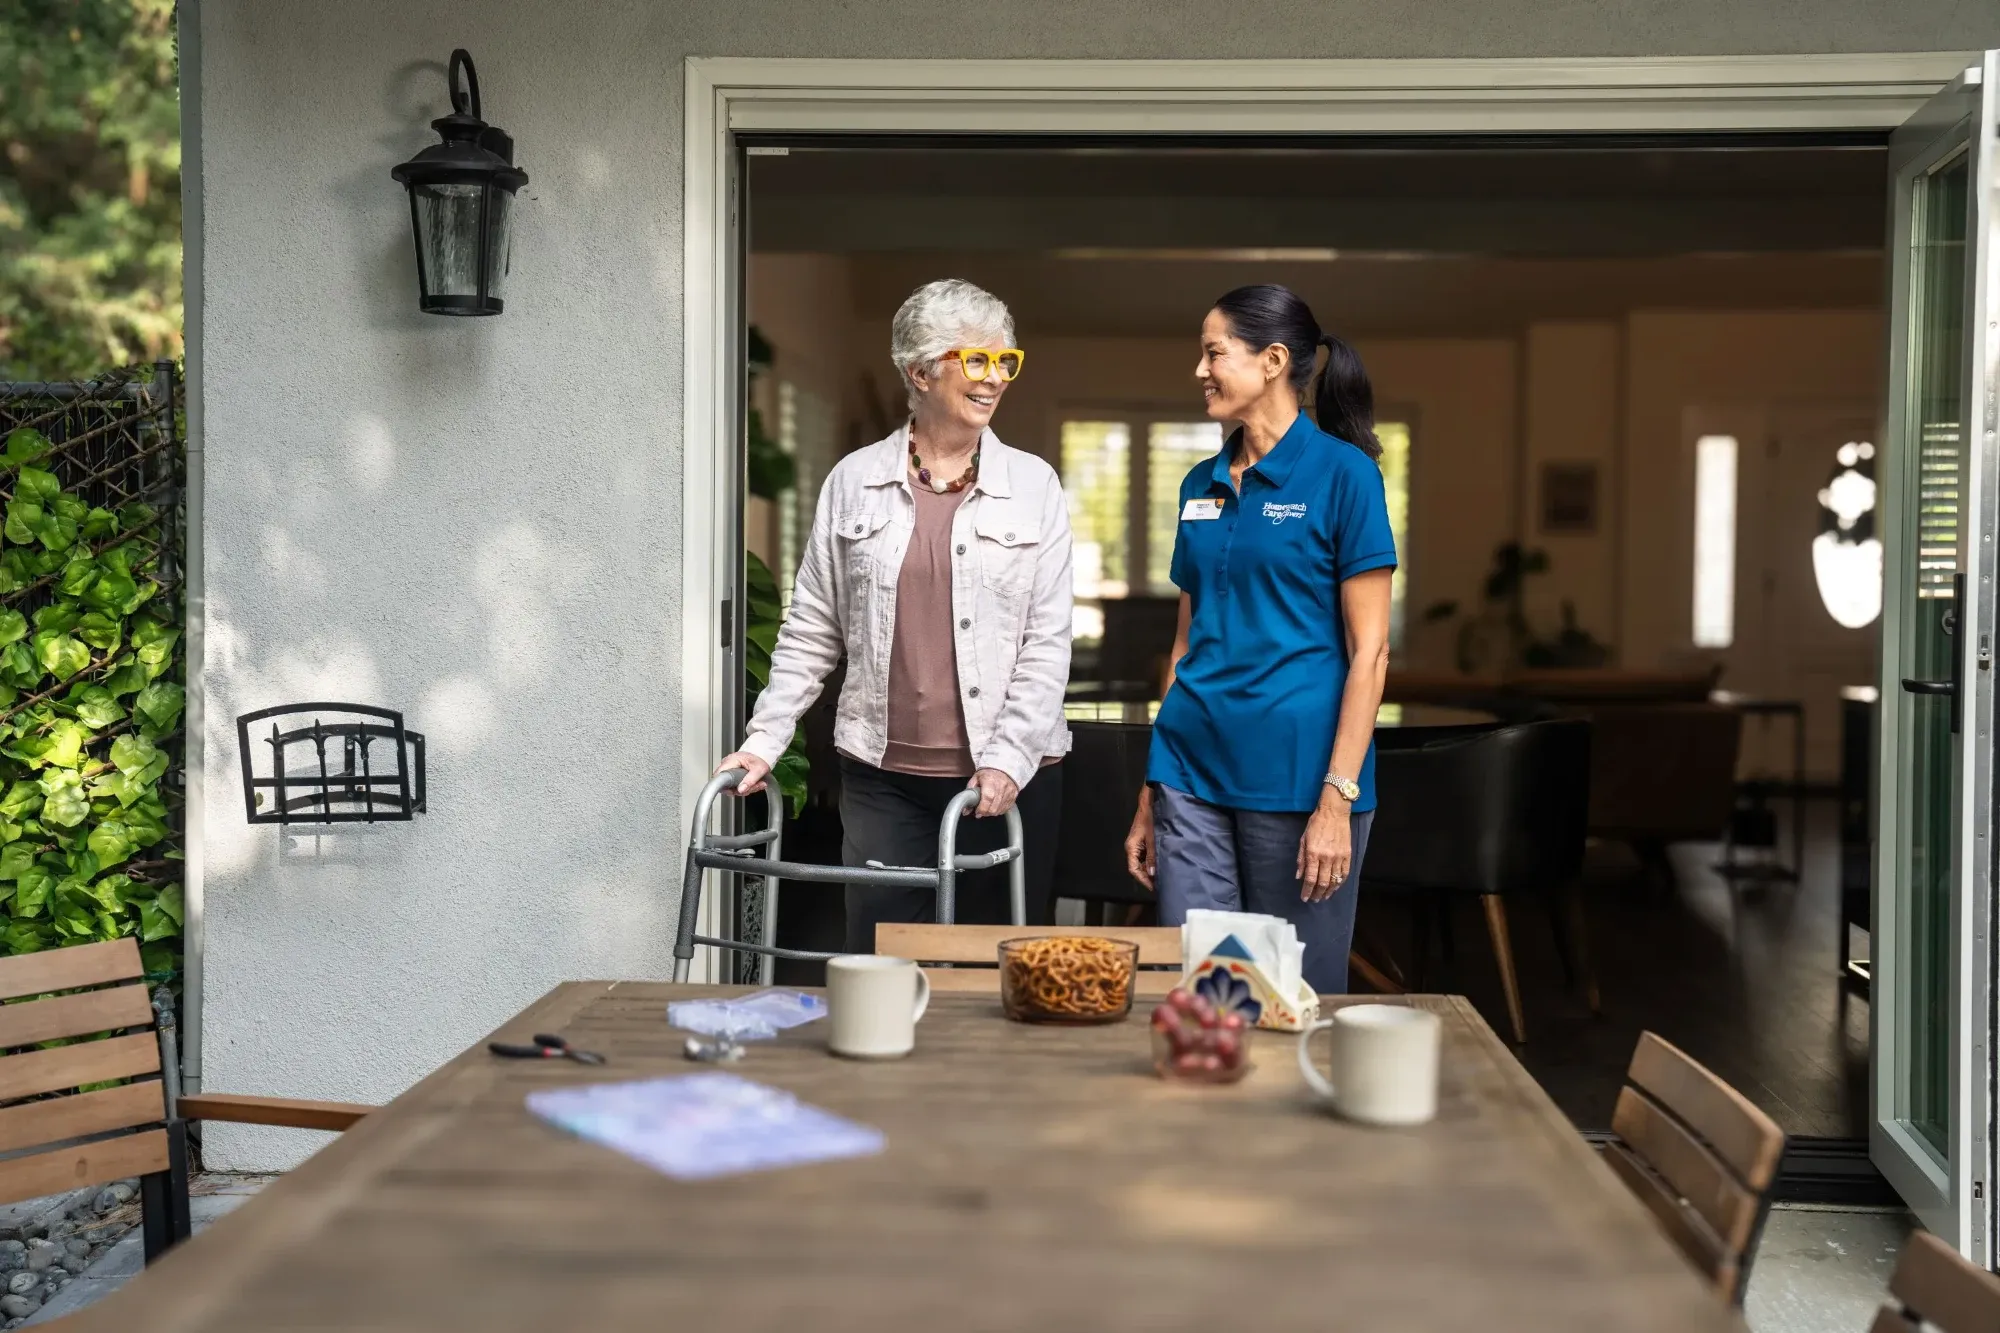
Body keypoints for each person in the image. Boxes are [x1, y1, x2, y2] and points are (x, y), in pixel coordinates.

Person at [719, 279, 1073, 952]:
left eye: (1006, 362)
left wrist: (1005, 760)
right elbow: (814, 624)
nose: (995, 377)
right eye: (977, 360)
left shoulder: (1034, 486)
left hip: (1008, 779)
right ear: (919, 370)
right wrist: (764, 738)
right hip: (883, 780)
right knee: (883, 960)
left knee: (990, 980)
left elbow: (1048, 641)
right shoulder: (855, 480)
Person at [1124, 284, 1395, 994]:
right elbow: (1185, 646)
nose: (1200, 369)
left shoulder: (1346, 476)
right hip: (1191, 772)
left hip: (1301, 781)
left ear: (1273, 360)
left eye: (1214, 352)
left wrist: (1337, 799)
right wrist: (1154, 784)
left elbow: (1370, 652)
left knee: (1295, 998)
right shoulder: (1200, 484)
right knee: (1210, 997)